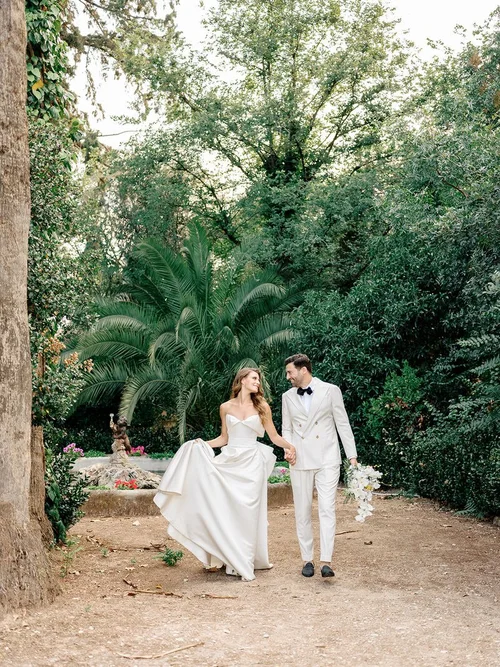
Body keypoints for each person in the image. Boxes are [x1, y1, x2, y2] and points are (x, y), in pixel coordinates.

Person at [154, 368, 296, 582]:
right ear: (242, 380)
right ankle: (228, 555)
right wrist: (201, 444)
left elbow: (274, 436)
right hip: (230, 461)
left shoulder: (262, 406)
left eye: (258, 379)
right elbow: (224, 438)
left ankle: (245, 559)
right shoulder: (225, 407)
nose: (258, 382)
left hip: (252, 463)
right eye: (254, 378)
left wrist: (291, 447)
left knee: (248, 512)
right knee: (227, 510)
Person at [282, 354, 357, 578]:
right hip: (300, 459)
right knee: (302, 510)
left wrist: (352, 456)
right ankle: (307, 559)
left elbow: (342, 423)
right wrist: (289, 449)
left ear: (303, 370)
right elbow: (287, 428)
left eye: (290, 372)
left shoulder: (330, 390)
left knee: (327, 508)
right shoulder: (287, 397)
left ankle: (326, 561)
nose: (288, 377)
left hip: (327, 458)